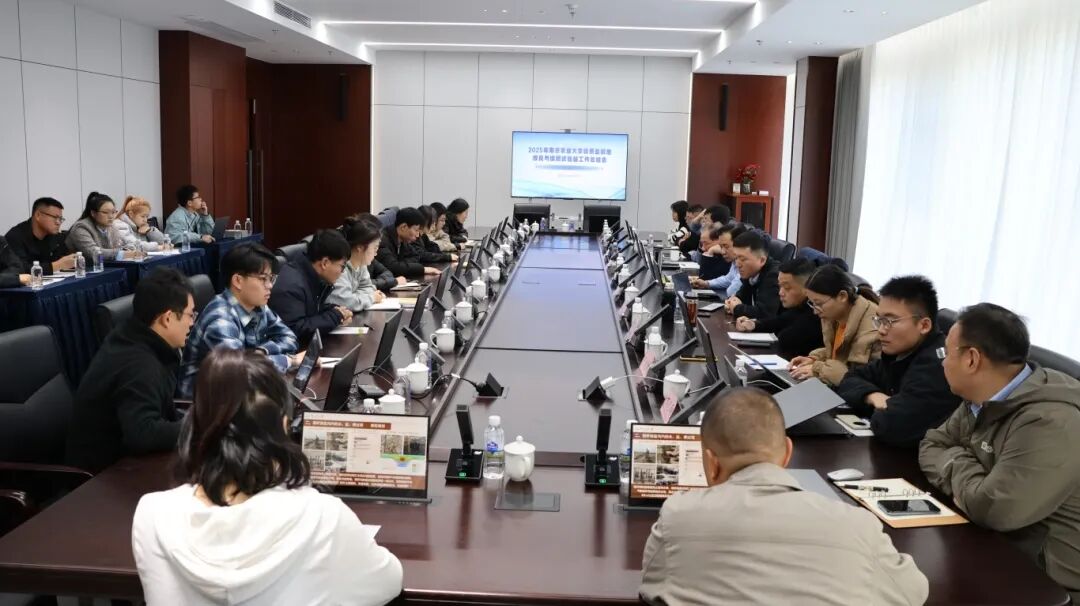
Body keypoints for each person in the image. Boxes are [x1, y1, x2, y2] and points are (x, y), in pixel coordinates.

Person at [133, 349, 403, 606]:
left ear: (195, 424)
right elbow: (388, 581)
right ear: (284, 426)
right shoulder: (323, 516)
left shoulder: (152, 515)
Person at [639, 387, 928, 606]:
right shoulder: (857, 525)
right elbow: (913, 592)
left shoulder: (678, 517)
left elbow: (651, 587)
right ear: (788, 453)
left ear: (711, 462)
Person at [920, 303, 1080, 601]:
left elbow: (994, 509)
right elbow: (932, 444)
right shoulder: (983, 395)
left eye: (946, 353)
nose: (942, 363)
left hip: (1047, 584)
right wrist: (972, 479)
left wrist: (958, 466)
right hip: (992, 547)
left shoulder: (1052, 422)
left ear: (971, 359)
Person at [64, 268, 193, 472]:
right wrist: (198, 428)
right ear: (167, 318)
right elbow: (143, 434)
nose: (192, 323)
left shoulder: (132, 335)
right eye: (190, 315)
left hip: (124, 461)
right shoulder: (138, 364)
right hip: (102, 476)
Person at [835, 276, 960, 448]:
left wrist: (883, 406)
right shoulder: (899, 353)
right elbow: (849, 379)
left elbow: (891, 426)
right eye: (879, 320)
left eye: (889, 321)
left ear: (924, 325)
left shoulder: (938, 367)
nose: (881, 330)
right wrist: (873, 396)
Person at [177, 243, 299, 399]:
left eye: (271, 279)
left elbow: (290, 338)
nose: (269, 286)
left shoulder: (257, 305)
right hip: (205, 406)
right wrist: (288, 360)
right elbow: (242, 372)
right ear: (238, 281)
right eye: (263, 279)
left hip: (237, 394)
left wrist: (262, 351)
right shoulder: (220, 319)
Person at [787, 264, 880, 385]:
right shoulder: (836, 316)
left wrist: (818, 369)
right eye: (812, 303)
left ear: (842, 296)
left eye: (819, 303)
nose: (815, 311)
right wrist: (814, 359)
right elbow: (839, 354)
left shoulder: (871, 327)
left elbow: (855, 376)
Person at [269, 230, 353, 344]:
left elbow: (312, 311)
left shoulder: (311, 276)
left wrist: (335, 311)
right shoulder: (292, 285)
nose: (342, 272)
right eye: (342, 266)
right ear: (325, 263)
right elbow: (296, 330)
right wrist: (335, 316)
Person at [734, 257, 823, 360]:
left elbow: (786, 339)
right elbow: (780, 320)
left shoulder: (816, 313)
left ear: (807, 288)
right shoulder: (798, 305)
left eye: (787, 288)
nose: (780, 292)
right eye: (780, 286)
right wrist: (754, 324)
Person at [328, 215, 390, 312]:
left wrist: (355, 297)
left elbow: (368, 287)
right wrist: (371, 298)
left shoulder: (361, 264)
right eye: (375, 248)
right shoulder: (339, 267)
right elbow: (345, 302)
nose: (376, 253)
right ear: (360, 247)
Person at [4, 197, 76, 274]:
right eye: (55, 217)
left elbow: (63, 257)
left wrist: (71, 261)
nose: (58, 223)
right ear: (38, 215)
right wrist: (57, 265)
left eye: (60, 219)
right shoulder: (15, 237)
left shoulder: (54, 235)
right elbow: (19, 269)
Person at [66, 192, 145, 261]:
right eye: (105, 212)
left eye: (113, 212)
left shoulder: (111, 226)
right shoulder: (81, 227)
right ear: (93, 213)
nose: (111, 216)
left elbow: (121, 246)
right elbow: (93, 253)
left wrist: (126, 250)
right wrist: (125, 254)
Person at [723, 231, 780, 320]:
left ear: (762, 260)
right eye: (736, 258)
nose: (737, 264)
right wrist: (731, 302)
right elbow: (741, 297)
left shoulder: (773, 276)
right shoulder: (751, 273)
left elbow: (765, 314)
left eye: (742, 259)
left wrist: (736, 308)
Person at [376, 207, 442, 280]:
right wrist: (423, 269)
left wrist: (401, 264)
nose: (418, 235)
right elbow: (393, 267)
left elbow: (416, 256)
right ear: (403, 227)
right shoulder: (381, 241)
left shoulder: (403, 239)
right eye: (416, 230)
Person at [690, 224, 745, 297]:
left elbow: (731, 292)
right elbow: (728, 279)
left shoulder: (745, 264)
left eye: (726, 246)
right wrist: (707, 283)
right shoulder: (734, 261)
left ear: (740, 245)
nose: (723, 252)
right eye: (721, 247)